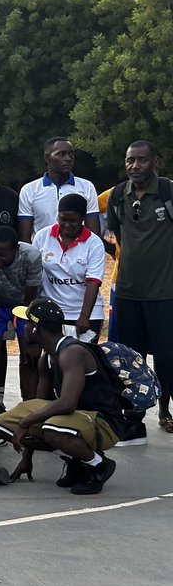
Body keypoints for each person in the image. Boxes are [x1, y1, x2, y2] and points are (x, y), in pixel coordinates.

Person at [0, 298, 124, 495]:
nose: (23, 327)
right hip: (76, 420)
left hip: (104, 421)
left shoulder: (72, 353)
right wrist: (26, 459)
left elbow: (67, 403)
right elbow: (39, 405)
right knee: (2, 424)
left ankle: (98, 464)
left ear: (36, 328)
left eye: (27, 323)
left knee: (52, 429)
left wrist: (24, 423)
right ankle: (77, 460)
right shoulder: (46, 358)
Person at [104, 140, 173, 433]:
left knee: (167, 358)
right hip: (128, 292)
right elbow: (116, 233)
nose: (135, 166)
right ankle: (133, 418)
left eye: (141, 160)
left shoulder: (168, 192)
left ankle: (165, 411)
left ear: (154, 162)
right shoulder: (118, 194)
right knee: (131, 360)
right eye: (130, 160)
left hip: (165, 293)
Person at [0, 226, 43, 412]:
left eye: (1, 254)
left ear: (16, 250)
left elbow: (30, 298)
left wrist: (30, 337)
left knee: (30, 358)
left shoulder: (31, 256)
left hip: (25, 306)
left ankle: (29, 410)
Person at [32, 193, 105, 343]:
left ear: (82, 219)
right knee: (52, 362)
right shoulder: (42, 236)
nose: (66, 225)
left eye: (73, 221)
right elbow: (32, 273)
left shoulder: (94, 243)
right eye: (62, 219)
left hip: (85, 314)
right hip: (52, 312)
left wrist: (84, 316)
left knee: (81, 361)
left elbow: (93, 281)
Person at [17, 137, 101, 241]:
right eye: (61, 154)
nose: (68, 158)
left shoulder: (87, 187)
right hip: (41, 254)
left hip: (78, 253)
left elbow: (94, 234)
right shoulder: (29, 190)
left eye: (71, 154)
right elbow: (25, 237)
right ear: (47, 157)